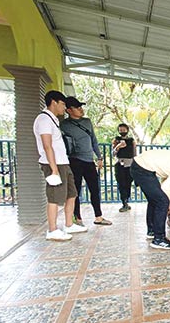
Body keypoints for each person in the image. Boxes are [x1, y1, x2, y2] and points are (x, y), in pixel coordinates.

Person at [33, 90, 87, 241]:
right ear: (54, 102)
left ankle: (69, 224)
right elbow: (47, 145)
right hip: (54, 164)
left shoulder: (53, 119)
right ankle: (52, 230)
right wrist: (54, 170)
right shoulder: (43, 120)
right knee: (54, 197)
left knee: (72, 193)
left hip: (63, 162)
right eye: (63, 104)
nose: (64, 108)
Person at [60, 97, 111, 226]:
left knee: (95, 189)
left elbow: (93, 140)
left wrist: (99, 157)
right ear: (69, 110)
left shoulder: (87, 122)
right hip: (74, 160)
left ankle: (98, 217)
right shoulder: (63, 124)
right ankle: (77, 218)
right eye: (77, 107)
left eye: (81, 107)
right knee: (75, 191)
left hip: (88, 160)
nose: (81, 109)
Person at [112, 123, 137, 212]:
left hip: (129, 164)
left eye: (124, 130)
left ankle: (127, 200)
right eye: (120, 130)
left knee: (128, 183)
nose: (122, 131)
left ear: (127, 130)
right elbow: (113, 153)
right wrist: (118, 147)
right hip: (120, 164)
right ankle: (124, 202)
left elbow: (134, 153)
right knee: (121, 183)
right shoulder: (116, 140)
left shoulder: (131, 140)